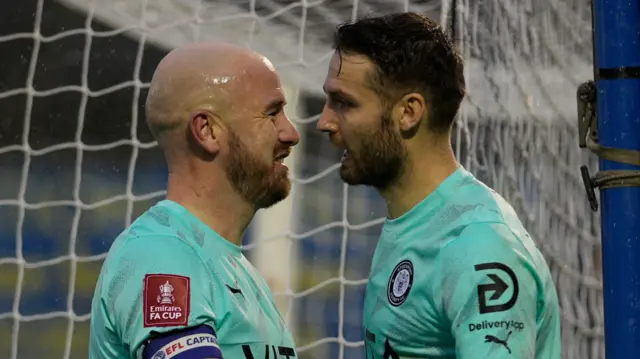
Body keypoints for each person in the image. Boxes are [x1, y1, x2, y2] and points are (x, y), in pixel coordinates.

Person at [317, 12, 561, 359]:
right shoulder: (417, 223)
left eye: (344, 103)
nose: (324, 122)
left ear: (409, 112)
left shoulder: (477, 245)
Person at [88, 42, 300, 359]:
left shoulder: (236, 269)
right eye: (272, 114)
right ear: (207, 131)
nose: (291, 133)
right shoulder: (161, 254)